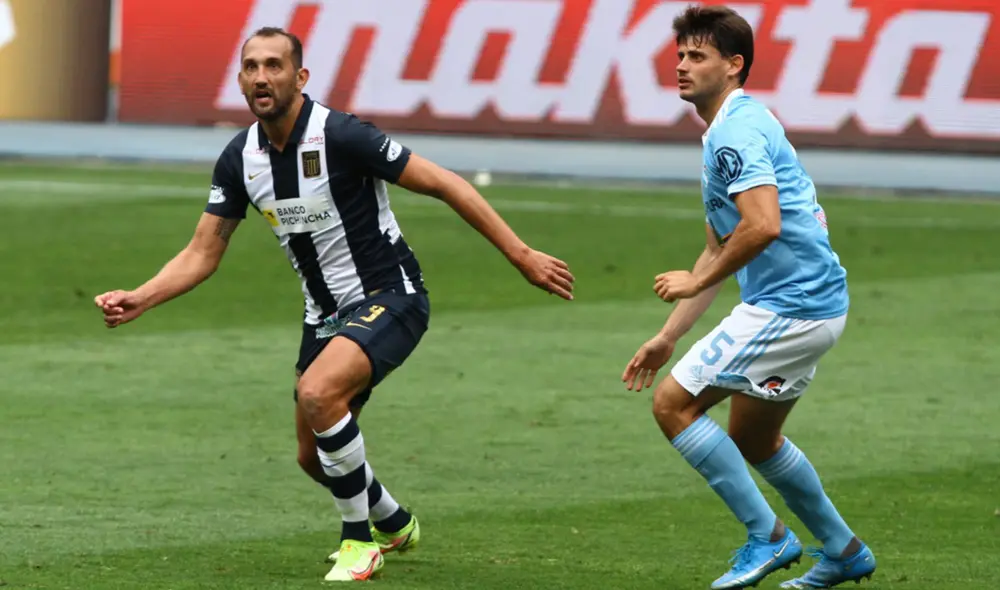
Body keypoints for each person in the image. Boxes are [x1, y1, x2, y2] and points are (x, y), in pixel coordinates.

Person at [94, 26, 575, 583]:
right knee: (311, 455)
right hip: (322, 317)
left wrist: (520, 255)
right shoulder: (239, 158)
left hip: (390, 296)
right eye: (250, 67)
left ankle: (358, 541)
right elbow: (203, 252)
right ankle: (394, 521)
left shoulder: (342, 135)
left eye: (274, 65)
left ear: (300, 78)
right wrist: (143, 297)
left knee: (319, 393)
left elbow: (446, 184)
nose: (260, 77)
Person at [621, 6, 876, 590]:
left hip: (791, 306)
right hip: (813, 305)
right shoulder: (731, 126)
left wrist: (688, 283)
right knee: (754, 438)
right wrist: (669, 334)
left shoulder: (734, 132)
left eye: (698, 56)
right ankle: (843, 550)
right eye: (680, 55)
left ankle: (768, 536)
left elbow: (762, 226)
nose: (682, 66)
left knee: (672, 406)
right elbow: (720, 248)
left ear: (734, 66)